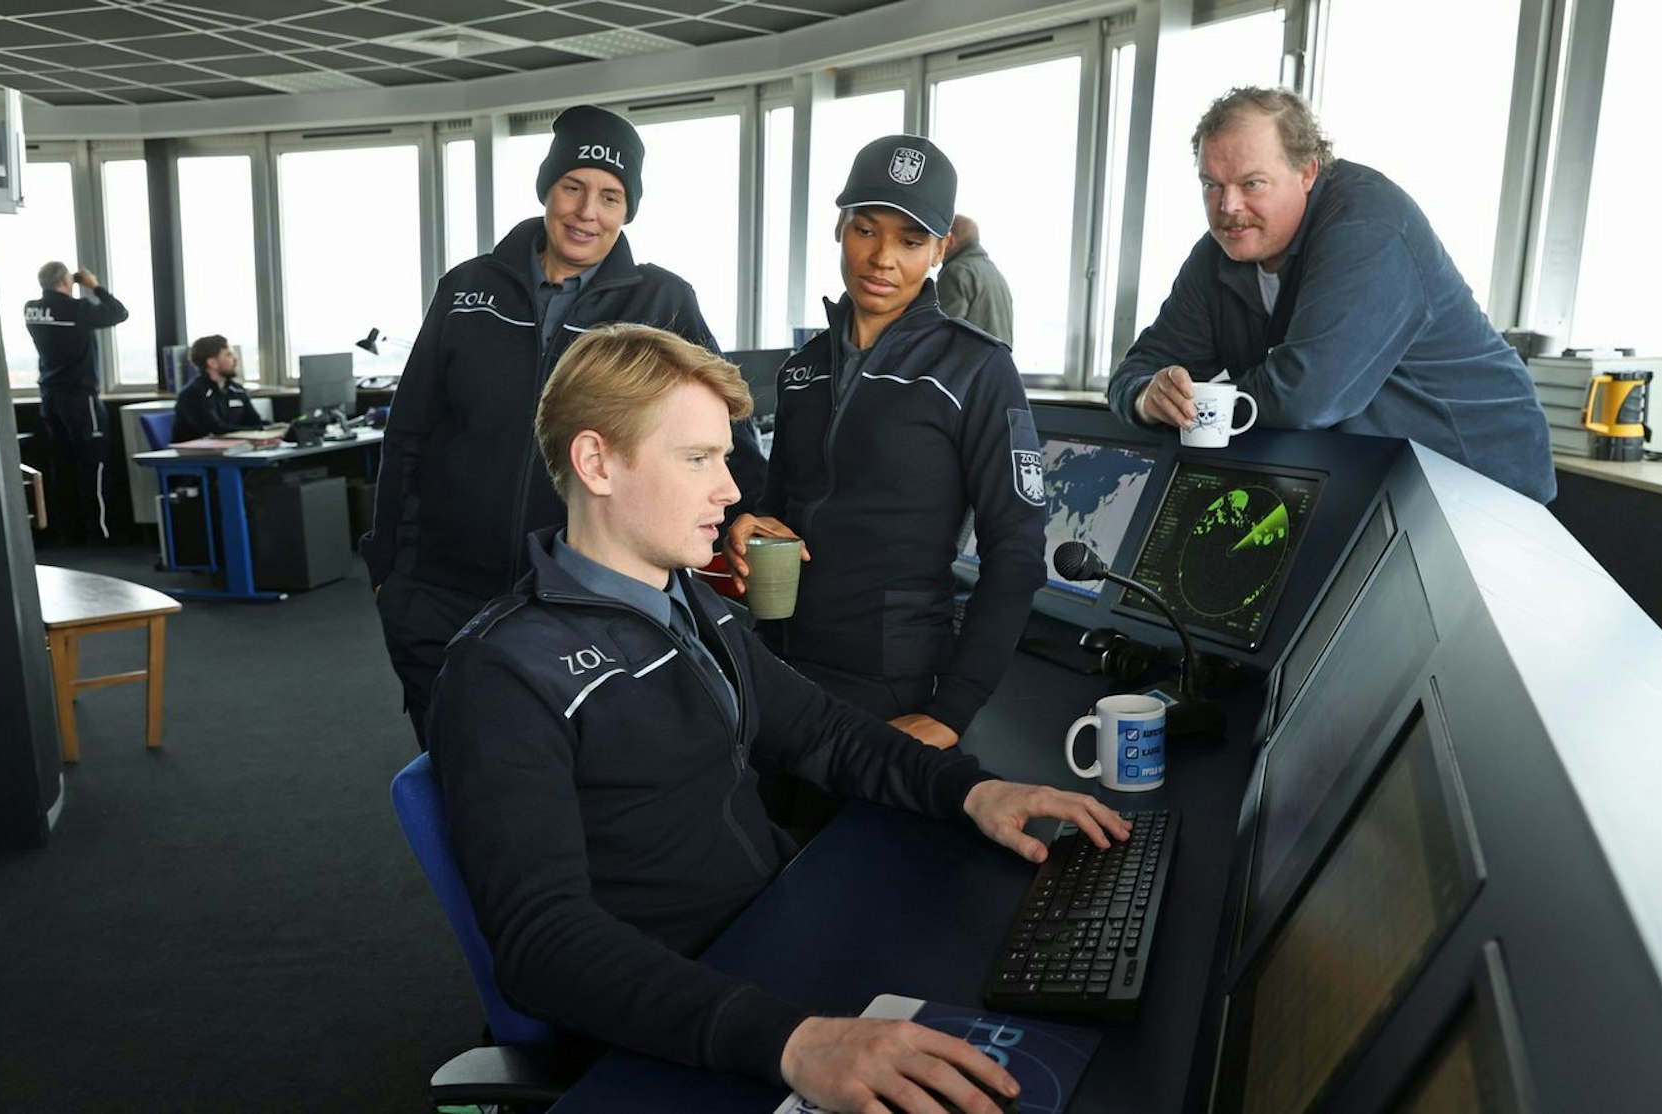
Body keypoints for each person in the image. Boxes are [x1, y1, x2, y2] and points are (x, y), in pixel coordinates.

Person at [429, 323, 1128, 1114]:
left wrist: (973, 792)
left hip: (774, 930)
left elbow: (820, 731)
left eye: (726, 458)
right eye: (698, 459)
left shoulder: (685, 599)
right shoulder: (505, 671)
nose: (730, 491)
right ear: (596, 463)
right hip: (688, 1017)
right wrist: (793, 1042)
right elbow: (543, 945)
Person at [363, 103, 767, 749]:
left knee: (567, 780)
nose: (587, 212)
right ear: (547, 190)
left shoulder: (661, 302)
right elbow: (410, 430)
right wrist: (388, 566)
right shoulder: (467, 289)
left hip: (582, 599)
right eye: (572, 187)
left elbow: (729, 434)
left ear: (628, 210)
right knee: (453, 766)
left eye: (610, 197)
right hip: (439, 590)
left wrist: (750, 511)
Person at [727, 136, 1046, 752]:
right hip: (779, 665)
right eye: (866, 230)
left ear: (939, 251)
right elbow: (777, 509)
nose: (881, 259)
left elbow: (1018, 550)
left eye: (910, 240)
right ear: (840, 228)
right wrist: (745, 524)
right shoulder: (802, 369)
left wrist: (954, 709)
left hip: (893, 684)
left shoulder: (975, 371)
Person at [1106, 87, 1556, 503]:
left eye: (1252, 184)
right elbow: (1141, 368)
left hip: (1477, 481)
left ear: (1307, 172)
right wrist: (1150, 397)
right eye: (1212, 185)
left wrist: (1206, 405)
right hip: (1367, 474)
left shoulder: (1368, 227)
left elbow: (1305, 395)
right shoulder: (1218, 255)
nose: (1228, 207)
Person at [26, 261, 129, 544]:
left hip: (49, 396)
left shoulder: (31, 309)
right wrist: (94, 286)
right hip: (80, 399)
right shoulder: (76, 310)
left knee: (62, 464)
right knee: (92, 464)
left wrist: (71, 286)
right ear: (66, 282)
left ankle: (66, 532)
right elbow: (119, 313)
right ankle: (100, 532)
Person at [170, 334, 271, 440]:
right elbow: (216, 430)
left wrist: (272, 428)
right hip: (200, 454)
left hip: (235, 449)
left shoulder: (237, 390)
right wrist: (259, 430)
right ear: (212, 363)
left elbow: (254, 421)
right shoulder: (192, 394)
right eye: (228, 355)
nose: (235, 359)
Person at [936, 214, 1014, 344]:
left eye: (938, 241)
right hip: (995, 362)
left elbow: (942, 331)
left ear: (950, 241)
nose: (935, 250)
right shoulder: (994, 273)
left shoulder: (957, 271)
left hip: (969, 363)